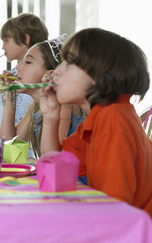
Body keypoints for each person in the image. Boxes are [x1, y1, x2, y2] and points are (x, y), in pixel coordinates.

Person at [40, 28, 152, 216]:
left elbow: (115, 213)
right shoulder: (104, 115)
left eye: (69, 62)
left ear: (99, 75)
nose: (56, 72)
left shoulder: (112, 121)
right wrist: (51, 116)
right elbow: (56, 169)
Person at [0, 39, 84, 159]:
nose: (18, 66)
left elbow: (52, 159)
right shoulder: (36, 107)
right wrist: (9, 96)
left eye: (28, 61)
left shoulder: (62, 105)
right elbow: (9, 145)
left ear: (50, 74)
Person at [0, 13, 49, 137]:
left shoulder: (31, 81)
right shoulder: (13, 75)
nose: (3, 47)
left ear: (25, 39)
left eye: (6, 40)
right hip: (4, 149)